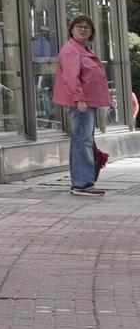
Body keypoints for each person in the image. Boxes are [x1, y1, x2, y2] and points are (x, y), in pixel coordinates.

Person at [57, 14, 112, 199]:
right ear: (71, 30)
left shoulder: (82, 49)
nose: (83, 29)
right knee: (82, 141)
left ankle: (81, 183)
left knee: (83, 140)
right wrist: (79, 99)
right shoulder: (72, 50)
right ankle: (81, 184)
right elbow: (71, 78)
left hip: (87, 102)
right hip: (81, 103)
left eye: (87, 27)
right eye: (79, 26)